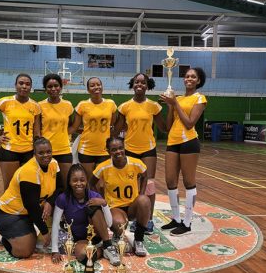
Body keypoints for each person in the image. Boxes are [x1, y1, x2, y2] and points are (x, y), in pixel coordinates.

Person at [0, 137, 61, 258]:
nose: (46, 155)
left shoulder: (54, 164)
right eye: (41, 153)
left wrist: (50, 202)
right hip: (9, 213)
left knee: (61, 203)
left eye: (48, 151)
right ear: (34, 154)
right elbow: (32, 206)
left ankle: (27, 232)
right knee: (24, 251)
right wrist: (44, 232)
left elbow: (61, 187)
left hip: (27, 213)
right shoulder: (29, 171)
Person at [114, 73, 165, 235]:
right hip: (129, 149)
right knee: (134, 185)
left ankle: (148, 220)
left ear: (147, 85)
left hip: (148, 149)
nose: (140, 84)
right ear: (132, 84)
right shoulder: (124, 107)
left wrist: (171, 106)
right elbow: (116, 130)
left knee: (148, 184)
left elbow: (164, 128)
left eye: (143, 82)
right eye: (137, 82)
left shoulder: (154, 106)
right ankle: (137, 217)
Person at [158, 67, 207, 236]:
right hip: (173, 141)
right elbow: (169, 125)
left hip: (189, 142)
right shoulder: (177, 98)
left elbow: (189, 123)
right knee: (170, 181)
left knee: (188, 182)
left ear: (198, 81)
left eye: (193, 77)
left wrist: (175, 103)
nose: (189, 79)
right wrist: (170, 106)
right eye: (187, 76)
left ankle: (187, 222)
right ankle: (176, 218)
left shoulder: (199, 98)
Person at [0, 73, 41, 190]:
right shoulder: (5, 102)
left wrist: (37, 150)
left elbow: (37, 133)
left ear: (31, 87)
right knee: (9, 188)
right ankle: (7, 208)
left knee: (27, 187)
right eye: (21, 83)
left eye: (27, 84)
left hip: (29, 151)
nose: (24, 86)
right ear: (15, 85)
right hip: (9, 151)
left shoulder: (35, 106)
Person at [89, 137, 151, 257]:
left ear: (124, 148)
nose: (118, 152)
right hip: (115, 207)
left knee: (144, 200)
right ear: (108, 152)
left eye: (120, 148)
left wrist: (141, 193)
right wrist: (100, 198)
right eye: (114, 149)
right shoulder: (103, 167)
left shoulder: (136, 163)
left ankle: (138, 239)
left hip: (133, 205)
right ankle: (117, 233)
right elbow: (90, 184)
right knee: (119, 225)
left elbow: (145, 176)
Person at [51, 164, 120, 266]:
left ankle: (108, 245)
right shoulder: (63, 198)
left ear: (87, 181)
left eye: (82, 180)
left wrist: (104, 204)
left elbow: (109, 224)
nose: (79, 183)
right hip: (80, 239)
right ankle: (102, 251)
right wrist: (54, 250)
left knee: (92, 207)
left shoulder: (94, 196)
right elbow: (55, 224)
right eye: (75, 180)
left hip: (97, 235)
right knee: (85, 256)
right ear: (69, 182)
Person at [69, 77, 117, 180]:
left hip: (104, 149)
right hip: (86, 149)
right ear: (88, 89)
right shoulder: (82, 105)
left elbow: (112, 123)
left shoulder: (111, 104)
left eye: (98, 84)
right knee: (89, 181)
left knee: (102, 182)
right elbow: (74, 127)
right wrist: (61, 134)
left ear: (102, 86)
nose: (96, 87)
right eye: (92, 85)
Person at [39, 74, 74, 188]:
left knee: (66, 185)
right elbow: (37, 129)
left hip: (64, 150)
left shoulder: (68, 105)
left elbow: (72, 125)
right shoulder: (39, 106)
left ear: (60, 87)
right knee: (47, 185)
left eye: (56, 85)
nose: (53, 89)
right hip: (45, 151)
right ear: (45, 89)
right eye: (49, 86)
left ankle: (63, 206)